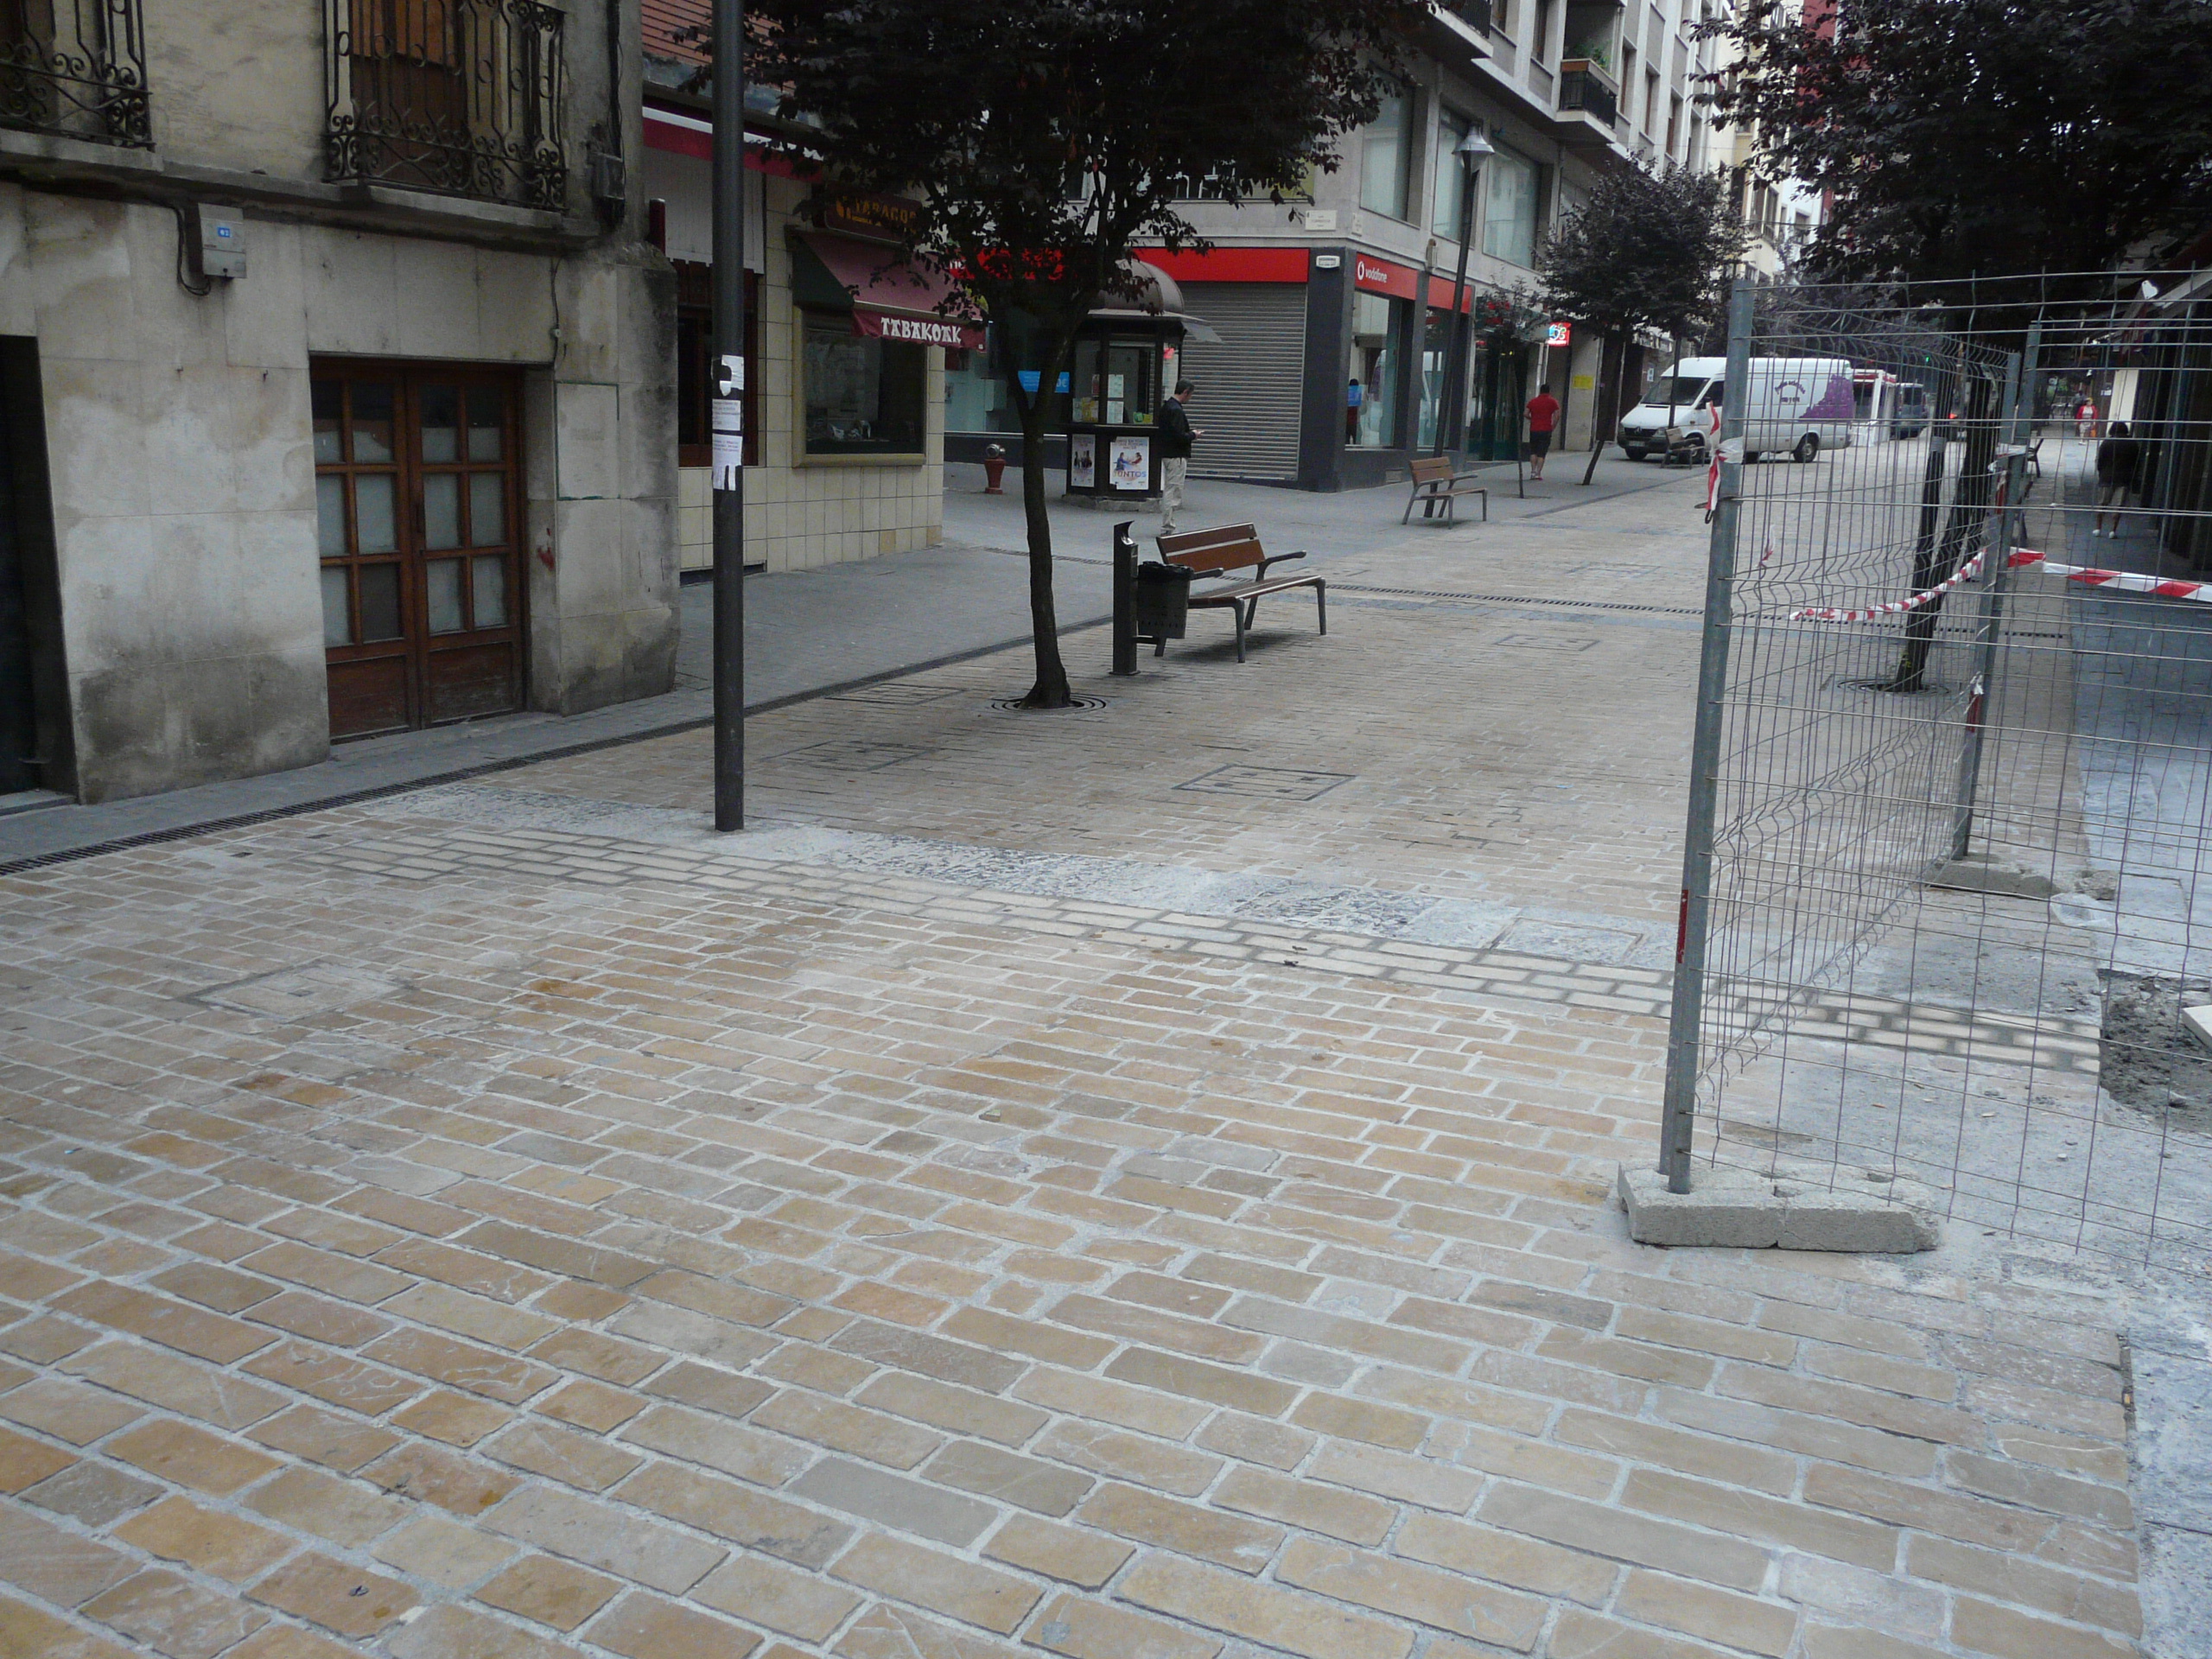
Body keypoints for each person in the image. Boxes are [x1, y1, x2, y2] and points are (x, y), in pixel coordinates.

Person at [1157, 380, 1202, 535]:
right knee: (1173, 490)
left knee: (1170, 488)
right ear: (1186, 392)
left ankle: (1168, 524)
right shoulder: (1176, 410)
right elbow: (1179, 436)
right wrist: (1193, 435)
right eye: (1191, 395)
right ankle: (1168, 526)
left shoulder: (1167, 407)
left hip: (1168, 453)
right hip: (1176, 455)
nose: (1190, 398)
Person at [2094, 420, 2139, 537]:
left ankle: (2098, 528)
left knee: (2102, 503)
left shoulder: (2107, 443)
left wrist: (2101, 472)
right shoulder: (2132, 444)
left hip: (2107, 477)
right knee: (2118, 506)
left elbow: (2100, 461)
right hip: (2124, 478)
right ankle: (2113, 531)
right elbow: (2136, 462)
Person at [1525, 382, 1561, 480]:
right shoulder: (1553, 402)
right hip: (1546, 429)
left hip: (1534, 429)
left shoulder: (1533, 401)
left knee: (1533, 451)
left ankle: (1532, 472)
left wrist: (1532, 419)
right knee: (1542, 453)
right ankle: (1538, 473)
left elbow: (1525, 413)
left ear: (1540, 391)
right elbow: (1557, 415)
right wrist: (1553, 426)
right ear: (1549, 391)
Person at [1345, 378, 1364, 442]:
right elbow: (1363, 410)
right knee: (1357, 441)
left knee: (1346, 442)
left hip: (1346, 422)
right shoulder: (1358, 396)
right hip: (1355, 422)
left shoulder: (1346, 395)